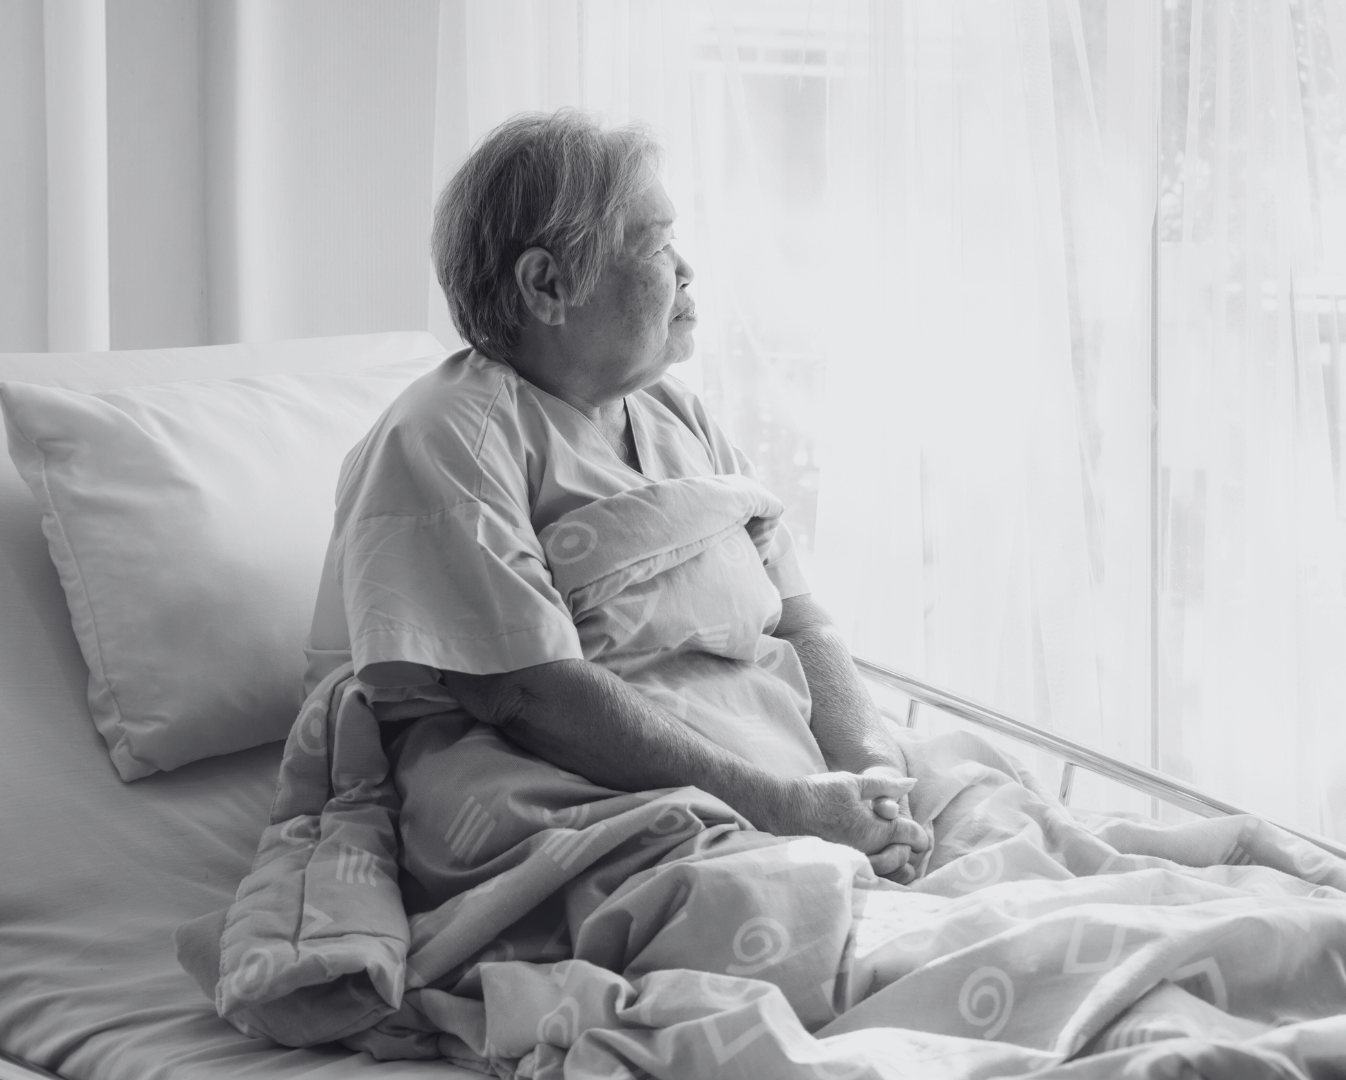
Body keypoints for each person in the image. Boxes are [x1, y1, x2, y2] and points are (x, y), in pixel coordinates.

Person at [300, 108, 930, 884]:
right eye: (659, 243)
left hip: (786, 783)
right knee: (767, 903)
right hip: (598, 801)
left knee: (1006, 809)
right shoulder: (447, 438)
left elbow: (798, 615)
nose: (688, 269)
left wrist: (872, 772)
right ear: (548, 283)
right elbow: (533, 694)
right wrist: (791, 809)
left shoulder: (675, 412)